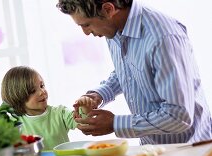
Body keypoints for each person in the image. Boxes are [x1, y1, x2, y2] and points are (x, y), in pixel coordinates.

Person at [56, 0, 212, 144]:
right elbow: (130, 69)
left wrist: (114, 124)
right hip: (152, 150)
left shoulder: (163, 37)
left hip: (190, 151)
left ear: (108, 9)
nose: (86, 32)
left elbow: (179, 116)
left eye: (86, 24)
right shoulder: (113, 27)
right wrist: (99, 95)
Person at [1, 66, 96, 150]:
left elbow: (85, 125)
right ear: (17, 96)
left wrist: (85, 108)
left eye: (42, 86)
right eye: (33, 90)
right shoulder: (15, 123)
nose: (42, 92)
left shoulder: (60, 113)